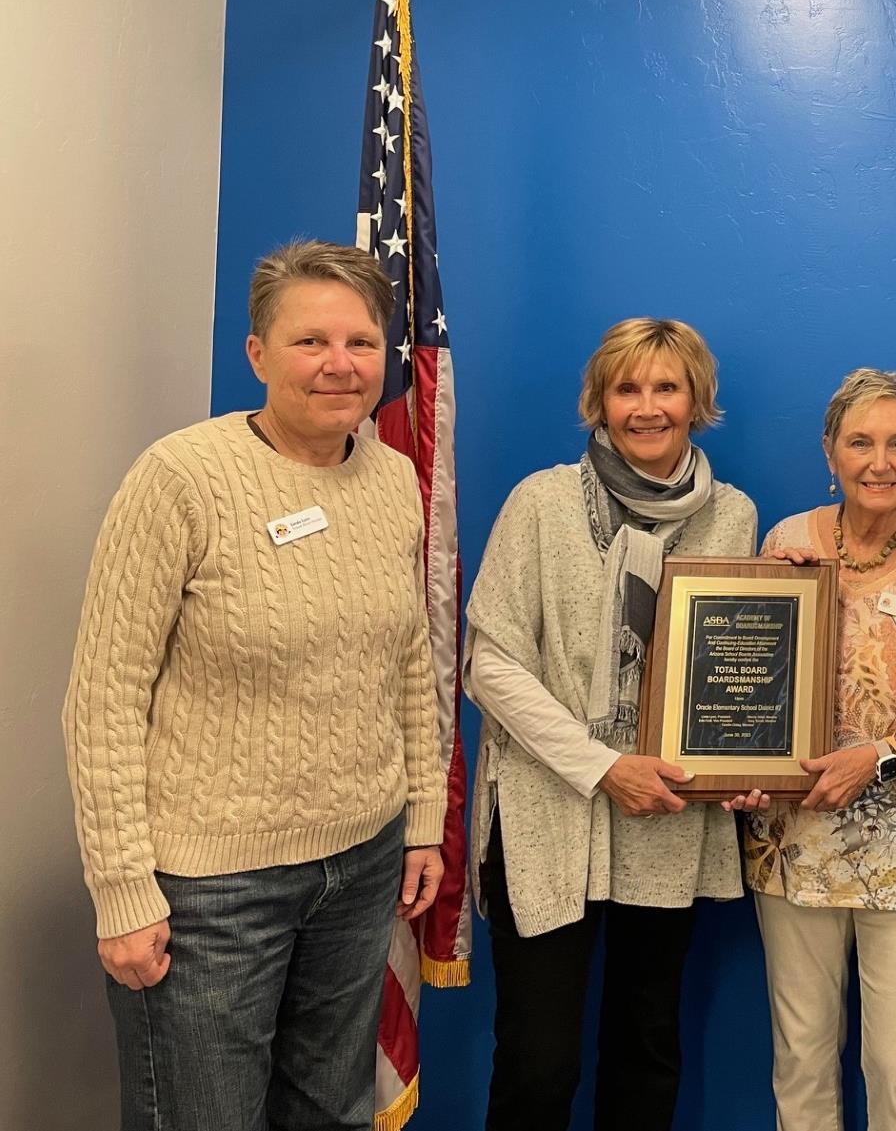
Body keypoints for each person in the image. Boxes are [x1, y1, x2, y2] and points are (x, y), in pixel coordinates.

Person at [63, 239, 447, 1130]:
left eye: (360, 341)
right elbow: (104, 699)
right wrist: (121, 888)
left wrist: (422, 817)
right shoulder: (181, 478)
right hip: (210, 889)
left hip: (361, 863)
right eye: (310, 341)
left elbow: (407, 658)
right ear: (257, 353)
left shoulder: (393, 479)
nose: (339, 364)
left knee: (330, 1111)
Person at [463, 318, 757, 1130]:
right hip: (545, 814)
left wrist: (746, 754)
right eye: (628, 388)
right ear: (600, 400)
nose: (647, 406)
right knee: (539, 1061)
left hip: (665, 814)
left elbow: (734, 666)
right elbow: (490, 666)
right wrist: (602, 765)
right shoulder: (541, 501)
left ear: (697, 400)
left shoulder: (732, 516)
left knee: (646, 1048)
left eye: (667, 387)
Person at [722, 368, 896, 1131]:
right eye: (860, 442)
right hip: (796, 851)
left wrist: (879, 756)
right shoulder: (786, 543)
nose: (880, 462)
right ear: (829, 451)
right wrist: (740, 764)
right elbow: (748, 685)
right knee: (801, 1066)